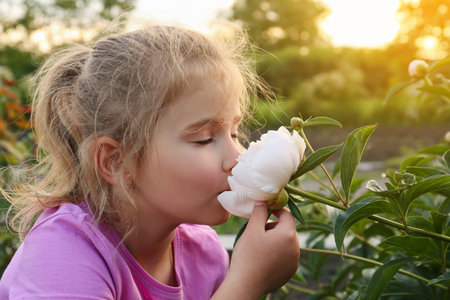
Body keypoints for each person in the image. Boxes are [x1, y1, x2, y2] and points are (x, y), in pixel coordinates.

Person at [0, 24, 300, 299]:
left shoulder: (205, 253)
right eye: (204, 139)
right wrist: (245, 284)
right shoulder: (62, 252)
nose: (237, 158)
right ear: (116, 162)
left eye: (234, 132)